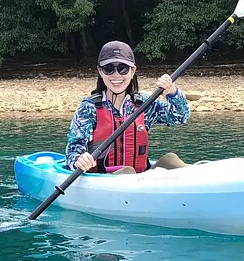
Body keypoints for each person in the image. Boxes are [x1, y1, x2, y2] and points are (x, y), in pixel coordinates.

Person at [65, 40, 190, 174]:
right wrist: (79, 159)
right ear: (100, 72)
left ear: (132, 71)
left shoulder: (144, 103)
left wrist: (173, 92)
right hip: (105, 178)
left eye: (123, 68)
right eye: (109, 69)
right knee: (127, 171)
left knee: (171, 159)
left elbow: (181, 117)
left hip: (139, 177)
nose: (116, 75)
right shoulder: (88, 108)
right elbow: (73, 150)